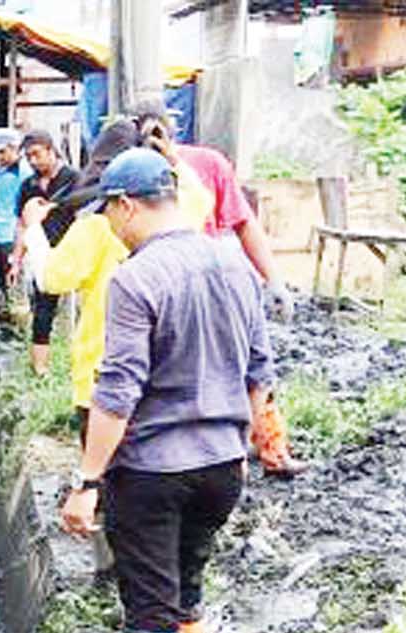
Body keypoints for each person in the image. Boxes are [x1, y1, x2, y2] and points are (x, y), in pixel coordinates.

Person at [58, 149, 276, 633]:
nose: (109, 225)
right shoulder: (234, 264)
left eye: (108, 212)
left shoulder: (137, 278)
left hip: (153, 471)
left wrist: (87, 481)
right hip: (221, 467)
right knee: (188, 588)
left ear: (127, 205)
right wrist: (243, 438)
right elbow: (260, 371)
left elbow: (119, 389)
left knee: (150, 600)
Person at [132, 102, 307, 478]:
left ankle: (267, 449)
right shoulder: (132, 174)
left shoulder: (206, 166)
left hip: (215, 284)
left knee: (249, 365)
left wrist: (272, 277)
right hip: (164, 289)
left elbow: (244, 222)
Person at [19, 122, 212, 443]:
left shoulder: (97, 226)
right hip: (171, 380)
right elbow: (202, 197)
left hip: (103, 380)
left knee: (107, 481)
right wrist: (172, 158)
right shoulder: (181, 215)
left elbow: (51, 279)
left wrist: (33, 229)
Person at [12, 129, 78, 374]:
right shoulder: (29, 185)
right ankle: (40, 368)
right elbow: (21, 223)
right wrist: (16, 259)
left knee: (78, 312)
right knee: (42, 311)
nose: (33, 161)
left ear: (51, 150)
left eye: (37, 154)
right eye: (28, 156)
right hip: (41, 254)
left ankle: (76, 365)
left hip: (72, 250)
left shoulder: (73, 179)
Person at [0, 127, 33, 316]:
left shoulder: (25, 174)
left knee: (14, 278)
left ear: (15, 148)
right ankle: (3, 315)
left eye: (2, 151)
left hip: (12, 235)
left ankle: (19, 322)